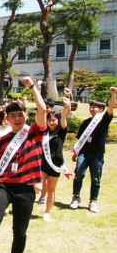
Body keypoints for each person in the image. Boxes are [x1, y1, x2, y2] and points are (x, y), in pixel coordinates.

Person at [0, 76, 47, 253]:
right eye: (13, 116)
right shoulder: (2, 141)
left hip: (26, 189)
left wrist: (32, 87)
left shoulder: (34, 133)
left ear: (25, 116)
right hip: (5, 186)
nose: (17, 119)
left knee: (21, 232)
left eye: (20, 115)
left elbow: (43, 110)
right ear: (7, 119)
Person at [70, 86, 116, 213]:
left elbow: (111, 108)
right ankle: (76, 197)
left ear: (101, 109)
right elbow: (79, 140)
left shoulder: (104, 120)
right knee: (79, 174)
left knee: (96, 178)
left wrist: (113, 94)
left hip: (97, 154)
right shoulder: (85, 122)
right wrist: (75, 153)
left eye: (94, 106)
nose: (91, 108)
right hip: (83, 153)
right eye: (90, 106)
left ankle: (93, 201)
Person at [36, 89, 72, 222]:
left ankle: (47, 212)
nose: (52, 122)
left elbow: (64, 117)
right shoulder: (44, 131)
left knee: (51, 190)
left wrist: (67, 104)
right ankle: (30, 203)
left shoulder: (61, 131)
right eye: (50, 120)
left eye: (54, 120)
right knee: (38, 186)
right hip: (43, 163)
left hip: (55, 165)